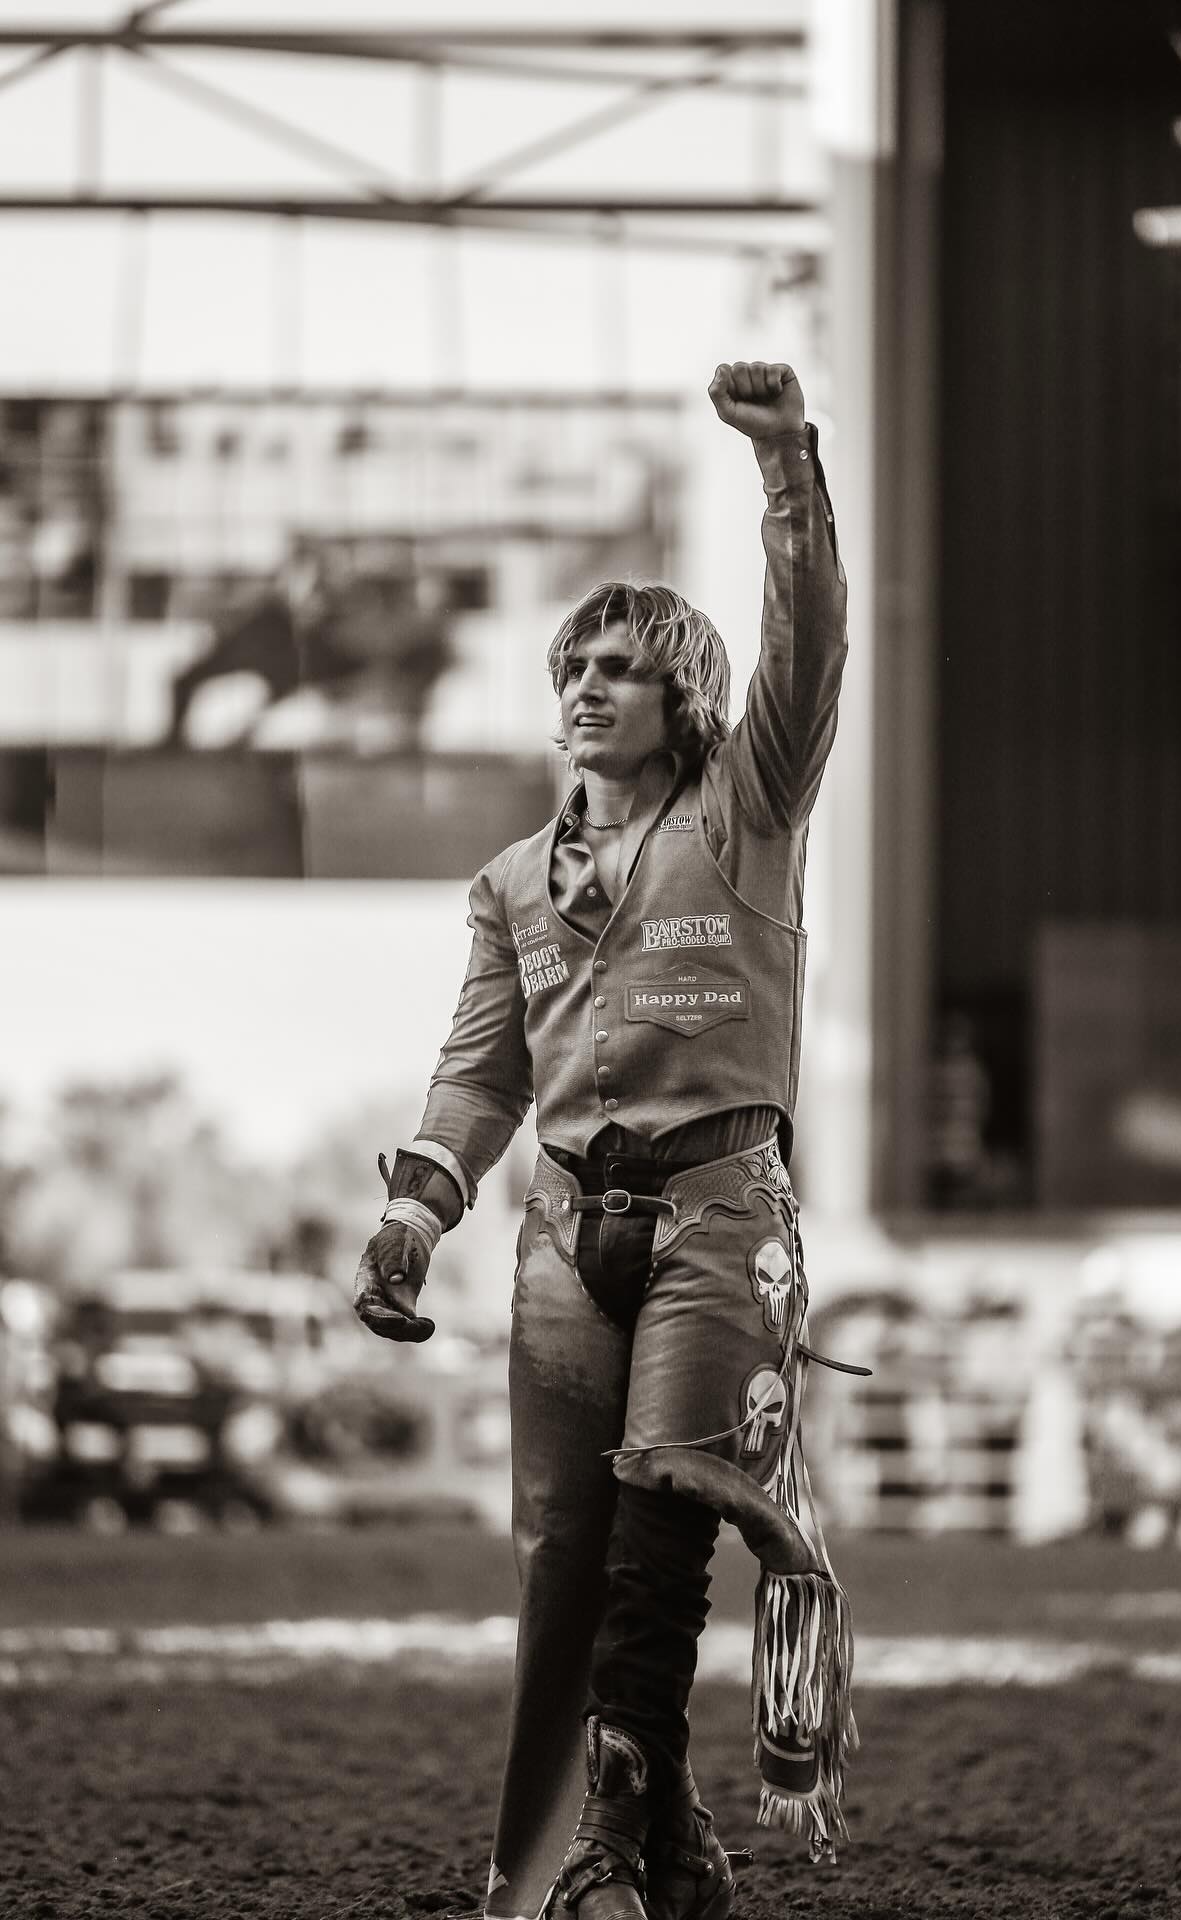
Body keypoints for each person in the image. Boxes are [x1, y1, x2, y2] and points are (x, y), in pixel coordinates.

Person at [354, 361, 856, 1920]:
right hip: (562, 1233)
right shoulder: (511, 883)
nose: (585, 686)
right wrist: (415, 1216)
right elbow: (477, 1073)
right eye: (573, 664)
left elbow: (810, 646)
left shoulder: (751, 805)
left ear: (685, 697)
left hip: (723, 1212)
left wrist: (787, 469)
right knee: (566, 1566)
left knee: (658, 1505)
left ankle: (604, 1856)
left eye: (623, 667)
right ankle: (671, 1846)